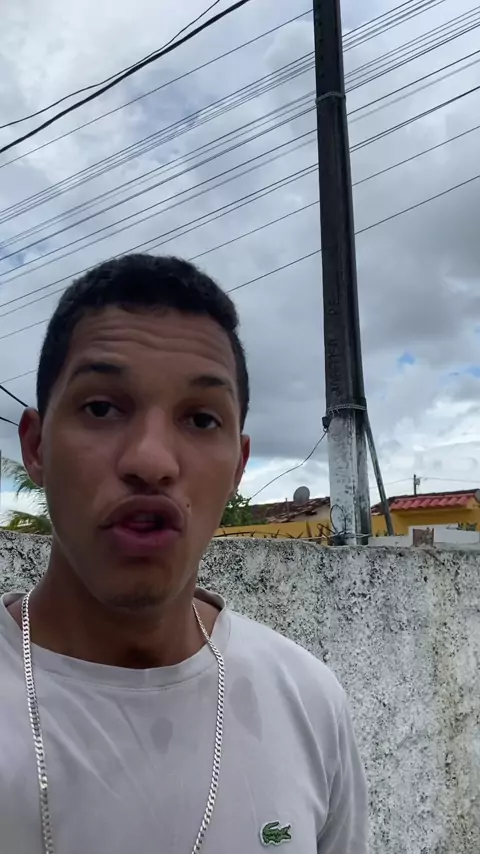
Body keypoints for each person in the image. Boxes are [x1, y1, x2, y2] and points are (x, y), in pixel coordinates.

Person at [0, 254, 368, 853]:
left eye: (200, 419)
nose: (151, 460)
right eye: (101, 408)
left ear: (238, 468)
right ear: (37, 448)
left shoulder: (308, 702)